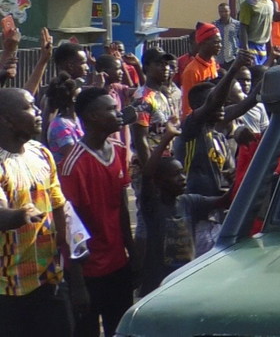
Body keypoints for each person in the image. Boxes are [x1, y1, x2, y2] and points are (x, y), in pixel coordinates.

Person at [60, 87, 134, 337]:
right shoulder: (73, 164)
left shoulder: (119, 150)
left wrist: (131, 253)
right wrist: (78, 284)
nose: (118, 113)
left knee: (120, 330)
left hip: (117, 264)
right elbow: (70, 224)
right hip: (88, 271)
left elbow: (122, 207)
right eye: (111, 109)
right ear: (92, 117)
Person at [0, 88, 73, 337]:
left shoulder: (41, 153)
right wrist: (19, 216)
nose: (39, 112)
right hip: (8, 290)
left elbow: (58, 205)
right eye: (30, 107)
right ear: (7, 120)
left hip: (49, 280)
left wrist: (70, 262)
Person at [136, 125, 230, 296]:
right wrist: (166, 139)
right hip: (158, 284)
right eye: (176, 175)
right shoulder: (153, 206)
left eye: (183, 173)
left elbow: (224, 201)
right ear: (160, 181)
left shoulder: (189, 202)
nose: (183, 179)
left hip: (184, 279)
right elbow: (147, 175)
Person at [177, 50, 253, 197]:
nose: (221, 106)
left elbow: (243, 105)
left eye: (222, 103)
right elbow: (213, 102)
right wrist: (234, 69)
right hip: (193, 206)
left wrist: (232, 175)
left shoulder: (219, 137)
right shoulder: (190, 129)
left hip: (215, 207)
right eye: (217, 104)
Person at [179, 22, 221, 118]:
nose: (220, 45)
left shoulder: (214, 63)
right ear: (203, 43)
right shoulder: (192, 71)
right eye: (216, 42)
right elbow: (187, 106)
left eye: (220, 42)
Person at [240, 0, 276, 66]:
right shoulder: (249, 3)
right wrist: (246, 50)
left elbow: (269, 28)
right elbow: (243, 28)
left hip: (263, 47)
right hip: (251, 46)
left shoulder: (270, 4)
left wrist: (270, 50)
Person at [214, 3, 241, 67]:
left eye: (226, 11)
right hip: (219, 59)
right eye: (221, 12)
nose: (223, 14)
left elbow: (241, 40)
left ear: (230, 11)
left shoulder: (237, 24)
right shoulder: (215, 25)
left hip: (232, 58)